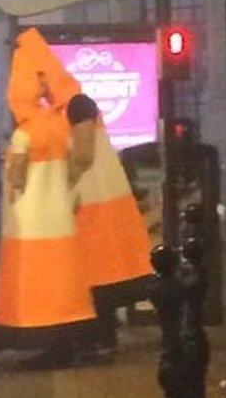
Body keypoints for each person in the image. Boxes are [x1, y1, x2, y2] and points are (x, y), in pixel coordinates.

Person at [0, 28, 97, 370]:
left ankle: (42, 342)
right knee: (62, 280)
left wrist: (14, 181)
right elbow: (80, 160)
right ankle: (65, 344)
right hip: (60, 219)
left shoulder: (24, 132)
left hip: (31, 224)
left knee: (36, 283)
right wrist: (64, 187)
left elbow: (17, 175)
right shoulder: (59, 124)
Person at [67, 92, 154, 353]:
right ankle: (102, 335)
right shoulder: (76, 107)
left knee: (99, 275)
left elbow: (82, 156)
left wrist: (59, 185)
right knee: (103, 276)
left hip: (92, 209)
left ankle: (99, 338)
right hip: (98, 207)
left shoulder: (74, 106)